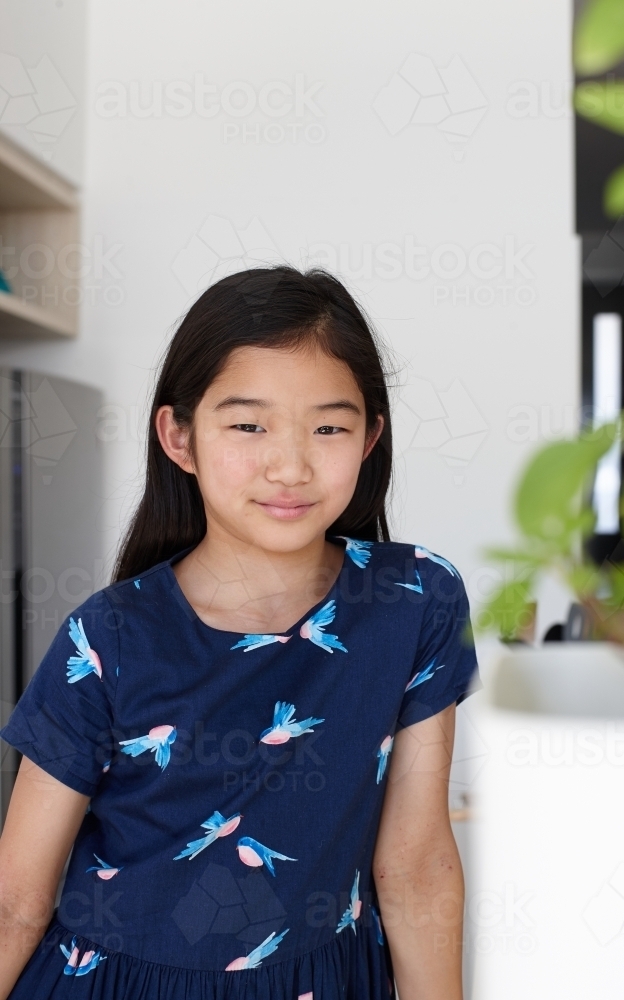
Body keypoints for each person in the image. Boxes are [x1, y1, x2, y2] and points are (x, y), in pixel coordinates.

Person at [0, 266, 478, 1000]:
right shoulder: (107, 637)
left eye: (328, 426)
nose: (288, 465)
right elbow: (15, 901)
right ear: (179, 436)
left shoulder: (415, 600)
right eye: (247, 425)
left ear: (369, 438)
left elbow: (415, 865)